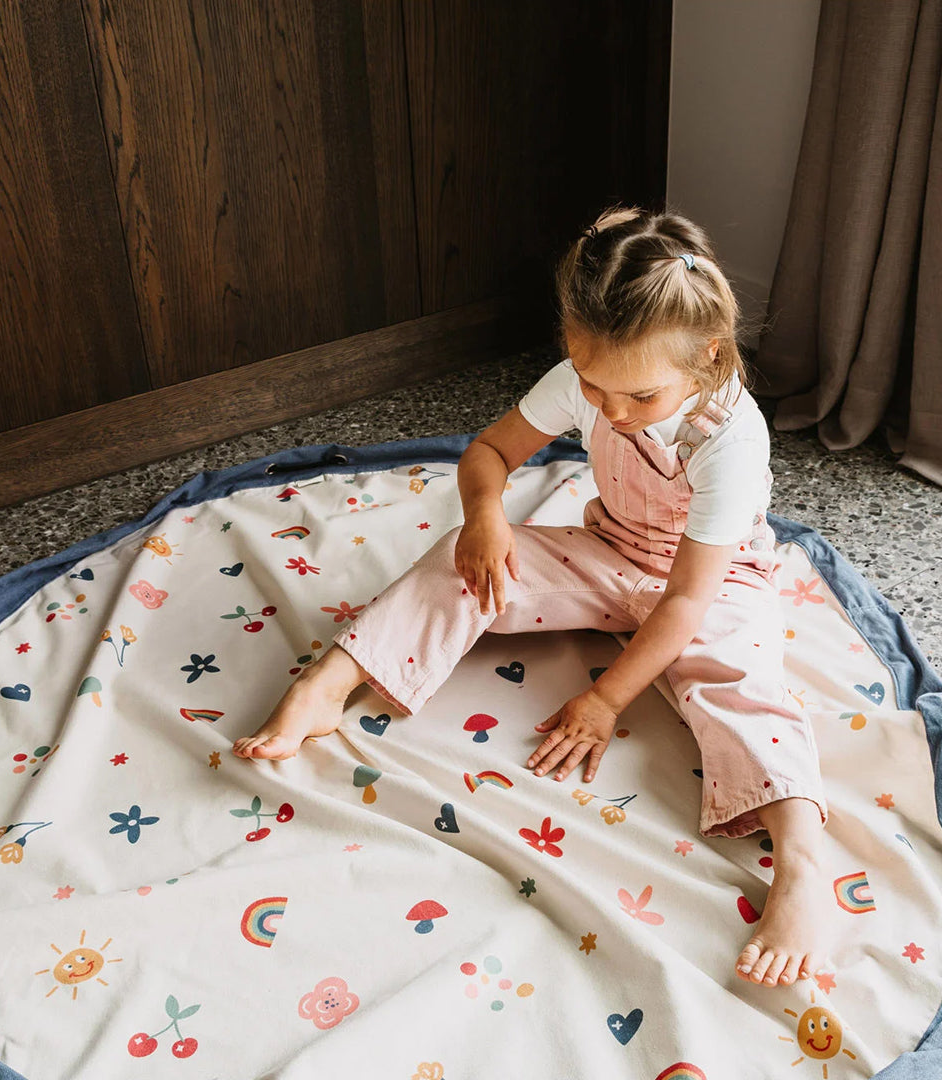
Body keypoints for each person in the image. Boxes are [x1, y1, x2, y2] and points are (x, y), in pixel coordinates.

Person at [233, 204, 829, 990]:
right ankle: (327, 686)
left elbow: (686, 601)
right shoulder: (591, 381)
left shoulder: (733, 439)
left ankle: (802, 863)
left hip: (713, 582)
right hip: (610, 549)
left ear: (707, 356)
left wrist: (606, 700)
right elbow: (490, 451)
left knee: (739, 683)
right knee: (461, 562)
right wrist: (486, 516)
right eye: (593, 386)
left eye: (640, 397)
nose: (612, 412)